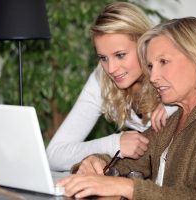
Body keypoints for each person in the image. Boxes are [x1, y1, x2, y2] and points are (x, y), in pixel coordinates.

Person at [57, 17, 196, 199]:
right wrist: (96, 162)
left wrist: (128, 188)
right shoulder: (173, 118)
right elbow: (130, 162)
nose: (153, 77)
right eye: (150, 66)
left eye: (163, 62)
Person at [46, 2, 177, 171]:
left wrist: (172, 104)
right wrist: (113, 143)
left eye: (120, 55)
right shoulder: (101, 80)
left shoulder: (173, 66)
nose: (111, 69)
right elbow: (54, 156)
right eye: (103, 57)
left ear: (144, 44)